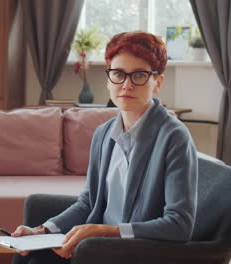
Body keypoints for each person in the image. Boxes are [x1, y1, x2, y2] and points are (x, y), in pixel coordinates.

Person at [12, 31, 198, 263]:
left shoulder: (174, 137)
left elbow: (179, 225)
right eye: (118, 74)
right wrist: (42, 230)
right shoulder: (103, 133)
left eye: (139, 75)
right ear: (109, 79)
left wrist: (105, 232)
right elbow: (88, 203)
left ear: (157, 82)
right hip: (96, 244)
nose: (126, 85)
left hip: (136, 251)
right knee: (27, 252)